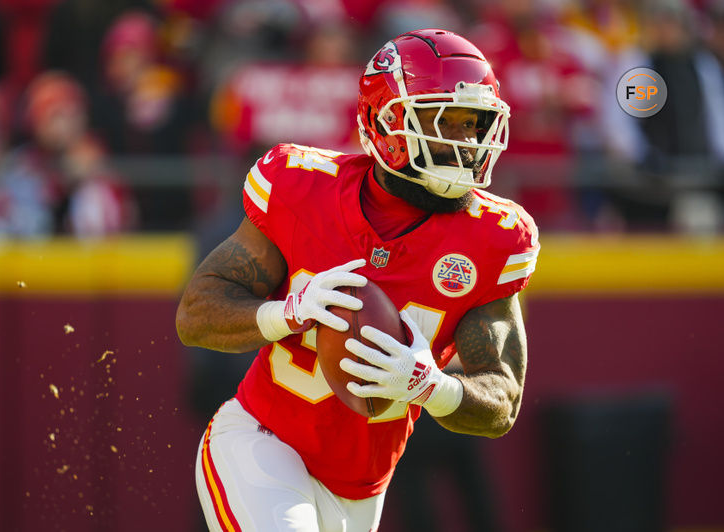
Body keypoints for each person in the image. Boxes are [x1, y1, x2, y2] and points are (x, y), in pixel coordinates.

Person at [176, 28, 539, 531]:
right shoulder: (302, 187)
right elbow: (196, 314)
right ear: (385, 120)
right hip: (261, 441)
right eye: (444, 121)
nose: (465, 143)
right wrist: (288, 313)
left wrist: (431, 386)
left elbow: (501, 399)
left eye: (474, 125)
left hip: (361, 486)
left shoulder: (494, 237)